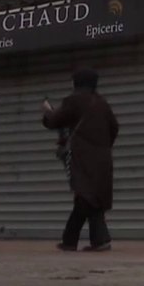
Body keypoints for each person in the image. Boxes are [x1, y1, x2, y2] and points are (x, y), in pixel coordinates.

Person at [42, 67, 119, 252]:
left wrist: (47, 111)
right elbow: (114, 127)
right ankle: (92, 240)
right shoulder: (102, 103)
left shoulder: (74, 100)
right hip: (103, 158)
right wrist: (102, 146)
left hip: (82, 157)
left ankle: (79, 241)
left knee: (85, 197)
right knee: (91, 198)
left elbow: (55, 121)